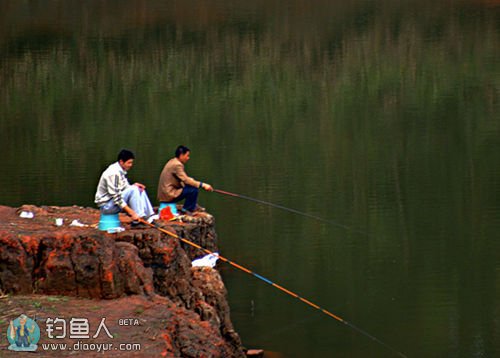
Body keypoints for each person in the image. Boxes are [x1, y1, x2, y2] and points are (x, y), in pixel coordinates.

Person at [95, 149, 154, 224]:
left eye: (131, 163)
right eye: (129, 163)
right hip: (106, 206)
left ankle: (149, 217)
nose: (130, 165)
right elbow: (117, 197)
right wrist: (132, 213)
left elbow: (125, 187)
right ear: (121, 162)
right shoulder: (113, 173)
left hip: (113, 203)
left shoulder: (120, 171)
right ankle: (138, 219)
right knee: (134, 190)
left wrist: (134, 186)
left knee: (139, 189)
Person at [157, 145, 213, 215]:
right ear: (181, 155)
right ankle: (187, 209)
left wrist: (193, 181)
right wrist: (202, 184)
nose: (188, 158)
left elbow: (183, 178)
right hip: (168, 194)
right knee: (193, 190)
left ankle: (188, 208)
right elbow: (186, 180)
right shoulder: (177, 165)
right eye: (187, 155)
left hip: (164, 194)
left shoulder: (172, 161)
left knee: (191, 186)